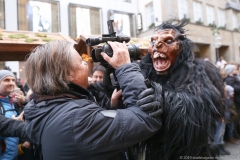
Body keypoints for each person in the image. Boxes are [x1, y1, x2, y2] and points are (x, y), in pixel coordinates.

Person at [23, 40, 163, 160]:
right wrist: (125, 67)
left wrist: (113, 108)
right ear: (68, 74)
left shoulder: (45, 109)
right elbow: (145, 119)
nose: (86, 66)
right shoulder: (76, 119)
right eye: (82, 62)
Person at [135, 20, 225, 159]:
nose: (158, 45)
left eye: (168, 40)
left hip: (189, 152)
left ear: (181, 47)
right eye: (153, 41)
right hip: (156, 151)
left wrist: (164, 99)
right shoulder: (144, 71)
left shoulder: (197, 71)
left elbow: (203, 106)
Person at [0, 70, 26, 159]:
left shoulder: (13, 101)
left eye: (13, 80)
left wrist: (23, 102)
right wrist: (12, 123)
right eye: (6, 80)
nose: (11, 83)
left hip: (13, 155)